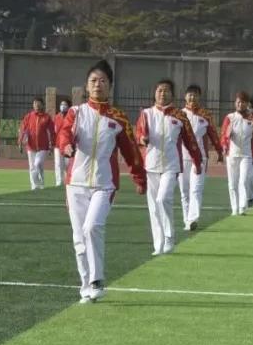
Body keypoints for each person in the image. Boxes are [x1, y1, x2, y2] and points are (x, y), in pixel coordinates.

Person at [57, 60, 146, 303]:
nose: (98, 85)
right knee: (78, 237)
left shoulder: (118, 118)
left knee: (92, 227)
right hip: (75, 183)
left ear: (110, 86)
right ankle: (85, 285)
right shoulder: (76, 112)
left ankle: (97, 279)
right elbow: (65, 132)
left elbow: (131, 153)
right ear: (87, 86)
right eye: (93, 81)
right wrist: (65, 145)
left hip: (104, 184)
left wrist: (139, 178)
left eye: (103, 81)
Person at [136, 79, 204, 256]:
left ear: (172, 94)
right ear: (154, 93)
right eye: (159, 91)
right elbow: (140, 133)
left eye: (166, 91)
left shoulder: (180, 116)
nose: (162, 94)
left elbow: (191, 141)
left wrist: (197, 162)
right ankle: (158, 244)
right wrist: (143, 139)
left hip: (171, 165)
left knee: (162, 199)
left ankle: (169, 237)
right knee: (153, 206)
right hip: (151, 164)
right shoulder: (146, 114)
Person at [179, 85, 223, 231]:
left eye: (195, 95)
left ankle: (193, 219)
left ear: (199, 97)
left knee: (196, 189)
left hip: (200, 158)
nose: (192, 98)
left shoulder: (205, 115)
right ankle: (187, 220)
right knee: (184, 191)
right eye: (190, 95)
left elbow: (213, 134)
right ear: (185, 96)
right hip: (182, 158)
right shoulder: (179, 114)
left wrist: (219, 151)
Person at [221, 91, 253, 216]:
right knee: (232, 183)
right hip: (232, 154)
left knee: (244, 180)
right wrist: (224, 145)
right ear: (235, 103)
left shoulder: (252, 119)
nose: (240, 104)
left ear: (246, 104)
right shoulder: (230, 118)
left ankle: (242, 207)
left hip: (246, 154)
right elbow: (224, 134)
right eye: (238, 102)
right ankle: (234, 208)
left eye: (243, 102)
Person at [18, 97, 55, 190]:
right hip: (31, 146)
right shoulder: (29, 116)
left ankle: (40, 183)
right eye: (35, 104)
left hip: (43, 147)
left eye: (39, 104)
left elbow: (51, 131)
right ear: (33, 105)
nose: (37, 106)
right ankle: (35, 186)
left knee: (37, 164)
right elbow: (23, 129)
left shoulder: (47, 117)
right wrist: (20, 142)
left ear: (42, 105)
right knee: (33, 167)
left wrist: (52, 144)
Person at [53, 97, 72, 187]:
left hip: (67, 145)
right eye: (61, 104)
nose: (63, 106)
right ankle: (59, 182)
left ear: (69, 106)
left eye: (65, 105)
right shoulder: (57, 117)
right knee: (58, 164)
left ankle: (67, 181)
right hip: (57, 145)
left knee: (67, 165)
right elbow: (54, 130)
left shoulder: (71, 117)